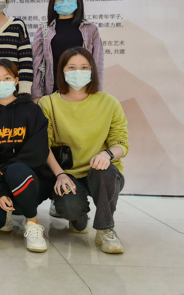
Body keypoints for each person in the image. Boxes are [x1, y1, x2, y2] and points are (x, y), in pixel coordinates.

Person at [39, 47, 129, 254]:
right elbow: (44, 145)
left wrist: (107, 154)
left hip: (101, 172)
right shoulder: (48, 103)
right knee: (70, 209)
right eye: (71, 67)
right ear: (62, 71)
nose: (78, 72)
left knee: (104, 172)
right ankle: (78, 216)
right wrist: (59, 174)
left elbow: (122, 144)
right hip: (68, 173)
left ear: (92, 70)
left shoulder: (109, 102)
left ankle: (105, 230)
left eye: (84, 67)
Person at [0, 59, 52, 253]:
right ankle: (7, 209)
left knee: (17, 170)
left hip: (28, 178)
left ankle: (32, 223)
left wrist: (5, 170)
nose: (1, 83)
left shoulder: (32, 110)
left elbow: (38, 151)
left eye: (7, 78)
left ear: (16, 81)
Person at [32, 0, 104, 103]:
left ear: (78, 0)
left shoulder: (90, 29)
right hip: (53, 94)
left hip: (83, 94)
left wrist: (97, 93)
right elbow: (37, 64)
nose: (65, 1)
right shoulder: (44, 30)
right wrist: (36, 94)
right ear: (53, 2)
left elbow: (97, 64)